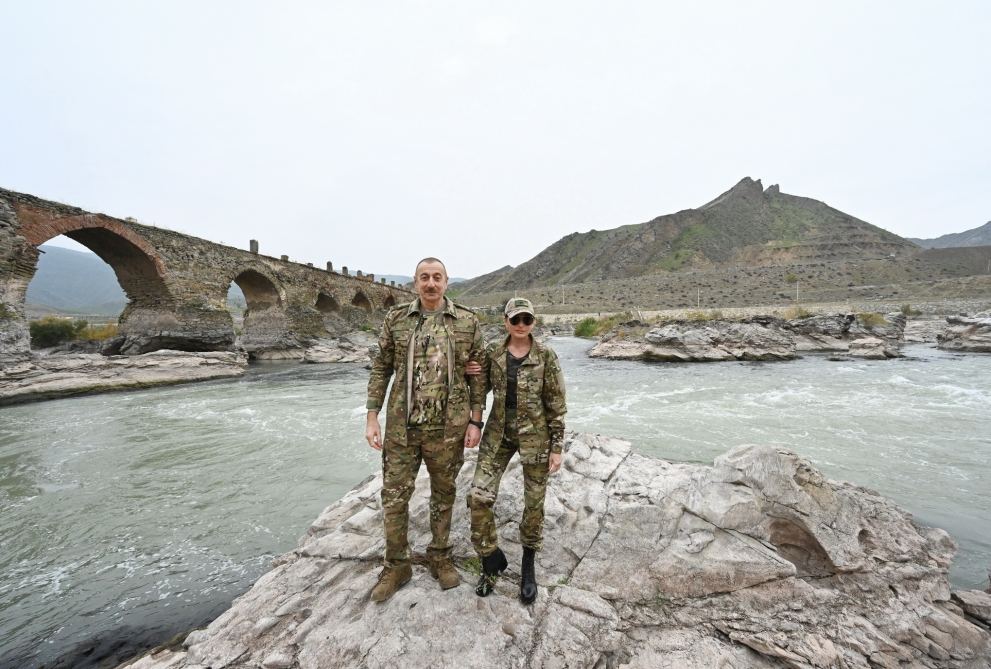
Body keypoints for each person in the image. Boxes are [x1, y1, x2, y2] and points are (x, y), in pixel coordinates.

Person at [364, 257, 485, 602]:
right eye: (424, 278)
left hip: (448, 429)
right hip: (402, 429)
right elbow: (380, 369)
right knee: (394, 496)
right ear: (415, 283)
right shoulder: (396, 319)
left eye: (437, 277)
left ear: (446, 282)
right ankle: (396, 565)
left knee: (444, 494)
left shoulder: (467, 321)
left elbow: (479, 375)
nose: (430, 283)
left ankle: (440, 556)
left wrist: (476, 419)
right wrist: (372, 416)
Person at [467, 297, 567, 604]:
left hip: (536, 438)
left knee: (534, 506)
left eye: (527, 319)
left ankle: (527, 567)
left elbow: (557, 403)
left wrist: (557, 446)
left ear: (534, 322)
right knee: (478, 497)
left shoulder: (546, 356)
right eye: (515, 320)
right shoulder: (493, 353)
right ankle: (491, 560)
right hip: (498, 435)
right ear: (505, 322)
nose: (521, 325)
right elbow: (476, 391)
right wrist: (467, 371)